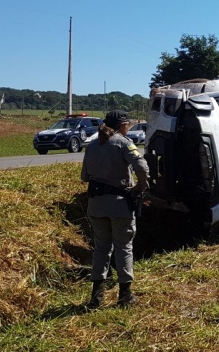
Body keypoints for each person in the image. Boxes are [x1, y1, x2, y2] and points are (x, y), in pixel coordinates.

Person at [81, 109, 150, 308]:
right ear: (122, 126)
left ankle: (96, 296)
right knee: (124, 247)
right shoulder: (124, 143)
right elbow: (143, 168)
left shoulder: (92, 145)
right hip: (119, 204)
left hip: (96, 204)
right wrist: (140, 186)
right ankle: (125, 295)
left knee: (101, 248)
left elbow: (85, 177)